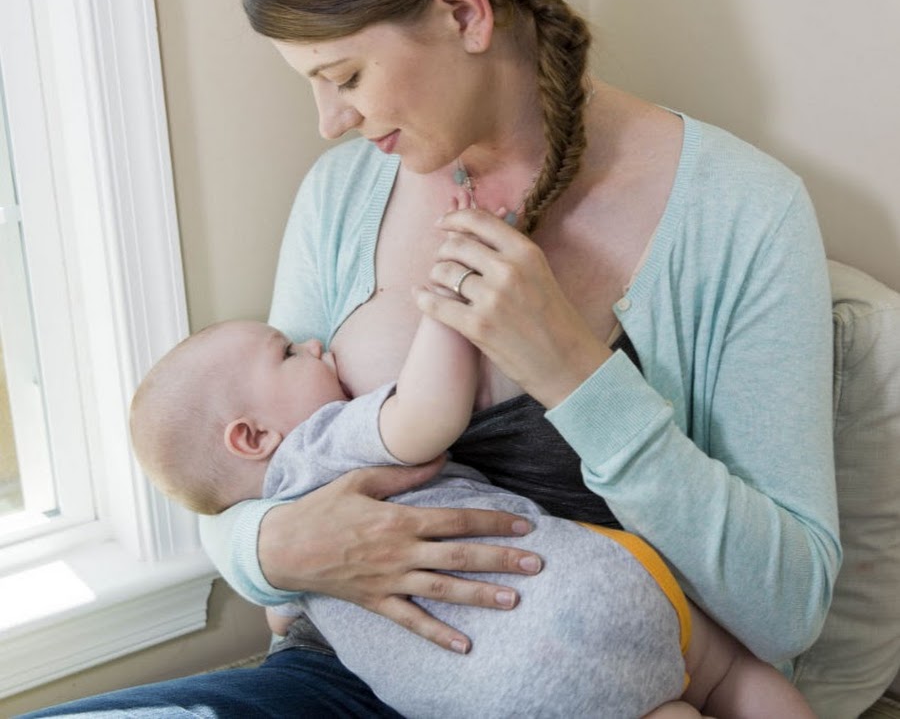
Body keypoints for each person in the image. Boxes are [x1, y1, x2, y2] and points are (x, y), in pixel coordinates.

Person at [22, 0, 839, 716]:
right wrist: (276, 550)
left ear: (463, 13)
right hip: (349, 678)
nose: (329, 122)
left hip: (584, 685)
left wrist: (574, 372)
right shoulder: (342, 196)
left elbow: (787, 608)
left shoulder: (740, 215)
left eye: (345, 76)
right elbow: (243, 479)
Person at [127, 236, 816, 717]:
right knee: (726, 676)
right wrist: (447, 301)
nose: (311, 343)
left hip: (499, 699)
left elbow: (278, 613)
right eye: (286, 353)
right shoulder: (322, 442)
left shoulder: (293, 571)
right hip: (586, 596)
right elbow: (426, 414)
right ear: (252, 438)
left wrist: (274, 564)